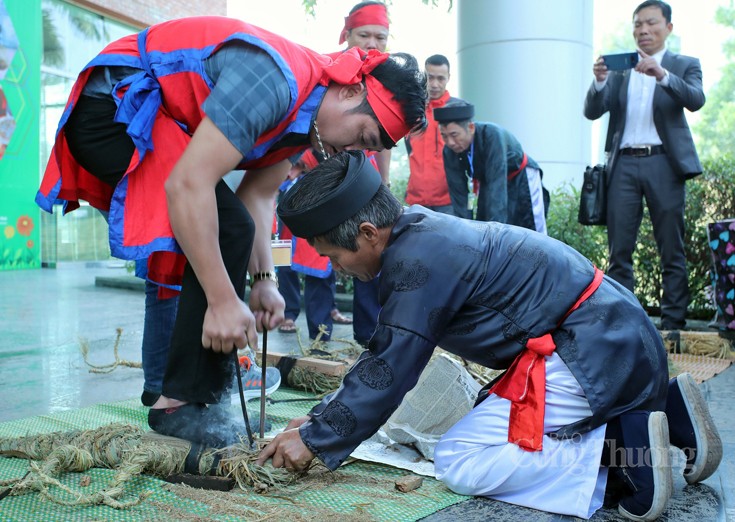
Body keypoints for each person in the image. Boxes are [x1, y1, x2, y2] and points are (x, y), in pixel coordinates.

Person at [259, 150, 722, 521]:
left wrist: (317, 439)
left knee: (460, 458)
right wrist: (321, 419)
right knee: (488, 416)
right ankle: (671, 414)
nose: (338, 271)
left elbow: (390, 365)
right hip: (617, 341)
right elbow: (386, 350)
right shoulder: (419, 232)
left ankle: (627, 453)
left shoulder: (417, 261)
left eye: (335, 257)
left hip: (589, 350)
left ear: (367, 232)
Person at [36, 16, 427, 447]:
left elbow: (257, 199)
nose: (353, 151)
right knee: (219, 226)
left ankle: (176, 391)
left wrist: (264, 282)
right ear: (351, 91)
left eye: (367, 150)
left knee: (222, 227)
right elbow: (188, 185)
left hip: (153, 119)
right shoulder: (276, 82)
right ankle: (182, 402)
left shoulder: (305, 123)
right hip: (114, 107)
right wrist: (223, 301)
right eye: (362, 136)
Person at [583, 0, 705, 331]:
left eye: (651, 23)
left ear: (668, 27)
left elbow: (696, 99)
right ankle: (628, 325)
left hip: (664, 163)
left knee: (671, 248)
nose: (643, 30)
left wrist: (661, 75)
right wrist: (599, 82)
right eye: (637, 24)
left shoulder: (684, 64)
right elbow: (592, 111)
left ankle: (673, 326)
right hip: (622, 166)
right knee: (618, 250)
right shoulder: (619, 69)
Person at [333, 1, 392, 346]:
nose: (372, 44)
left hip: (365, 180)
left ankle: (371, 337)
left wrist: (383, 185)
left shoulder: (386, 78)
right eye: (364, 35)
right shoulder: (332, 70)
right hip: (331, 175)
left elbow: (384, 141)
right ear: (347, 35)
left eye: (380, 37)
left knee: (371, 250)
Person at [435, 101, 549, 234]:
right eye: (444, 136)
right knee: (482, 226)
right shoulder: (448, 151)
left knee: (529, 231)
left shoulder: (492, 135)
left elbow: (497, 189)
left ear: (471, 128)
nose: (450, 142)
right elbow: (459, 195)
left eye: (454, 135)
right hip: (489, 182)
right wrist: (464, 233)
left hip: (520, 176)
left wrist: (496, 236)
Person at [276, 150, 351, 340]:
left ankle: (322, 326)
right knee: (284, 257)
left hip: (322, 184)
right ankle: (288, 312)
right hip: (288, 185)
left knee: (322, 259)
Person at [404, 54, 461, 215]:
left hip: (448, 201)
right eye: (430, 77)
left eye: (441, 78)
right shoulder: (413, 110)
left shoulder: (457, 110)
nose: (435, 84)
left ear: (448, 78)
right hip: (416, 199)